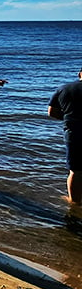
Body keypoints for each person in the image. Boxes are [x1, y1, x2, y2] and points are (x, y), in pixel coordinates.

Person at [48, 69, 82, 204]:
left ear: (80, 74)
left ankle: (74, 202)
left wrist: (69, 118)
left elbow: (51, 112)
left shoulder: (63, 89)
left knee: (76, 171)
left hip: (74, 132)